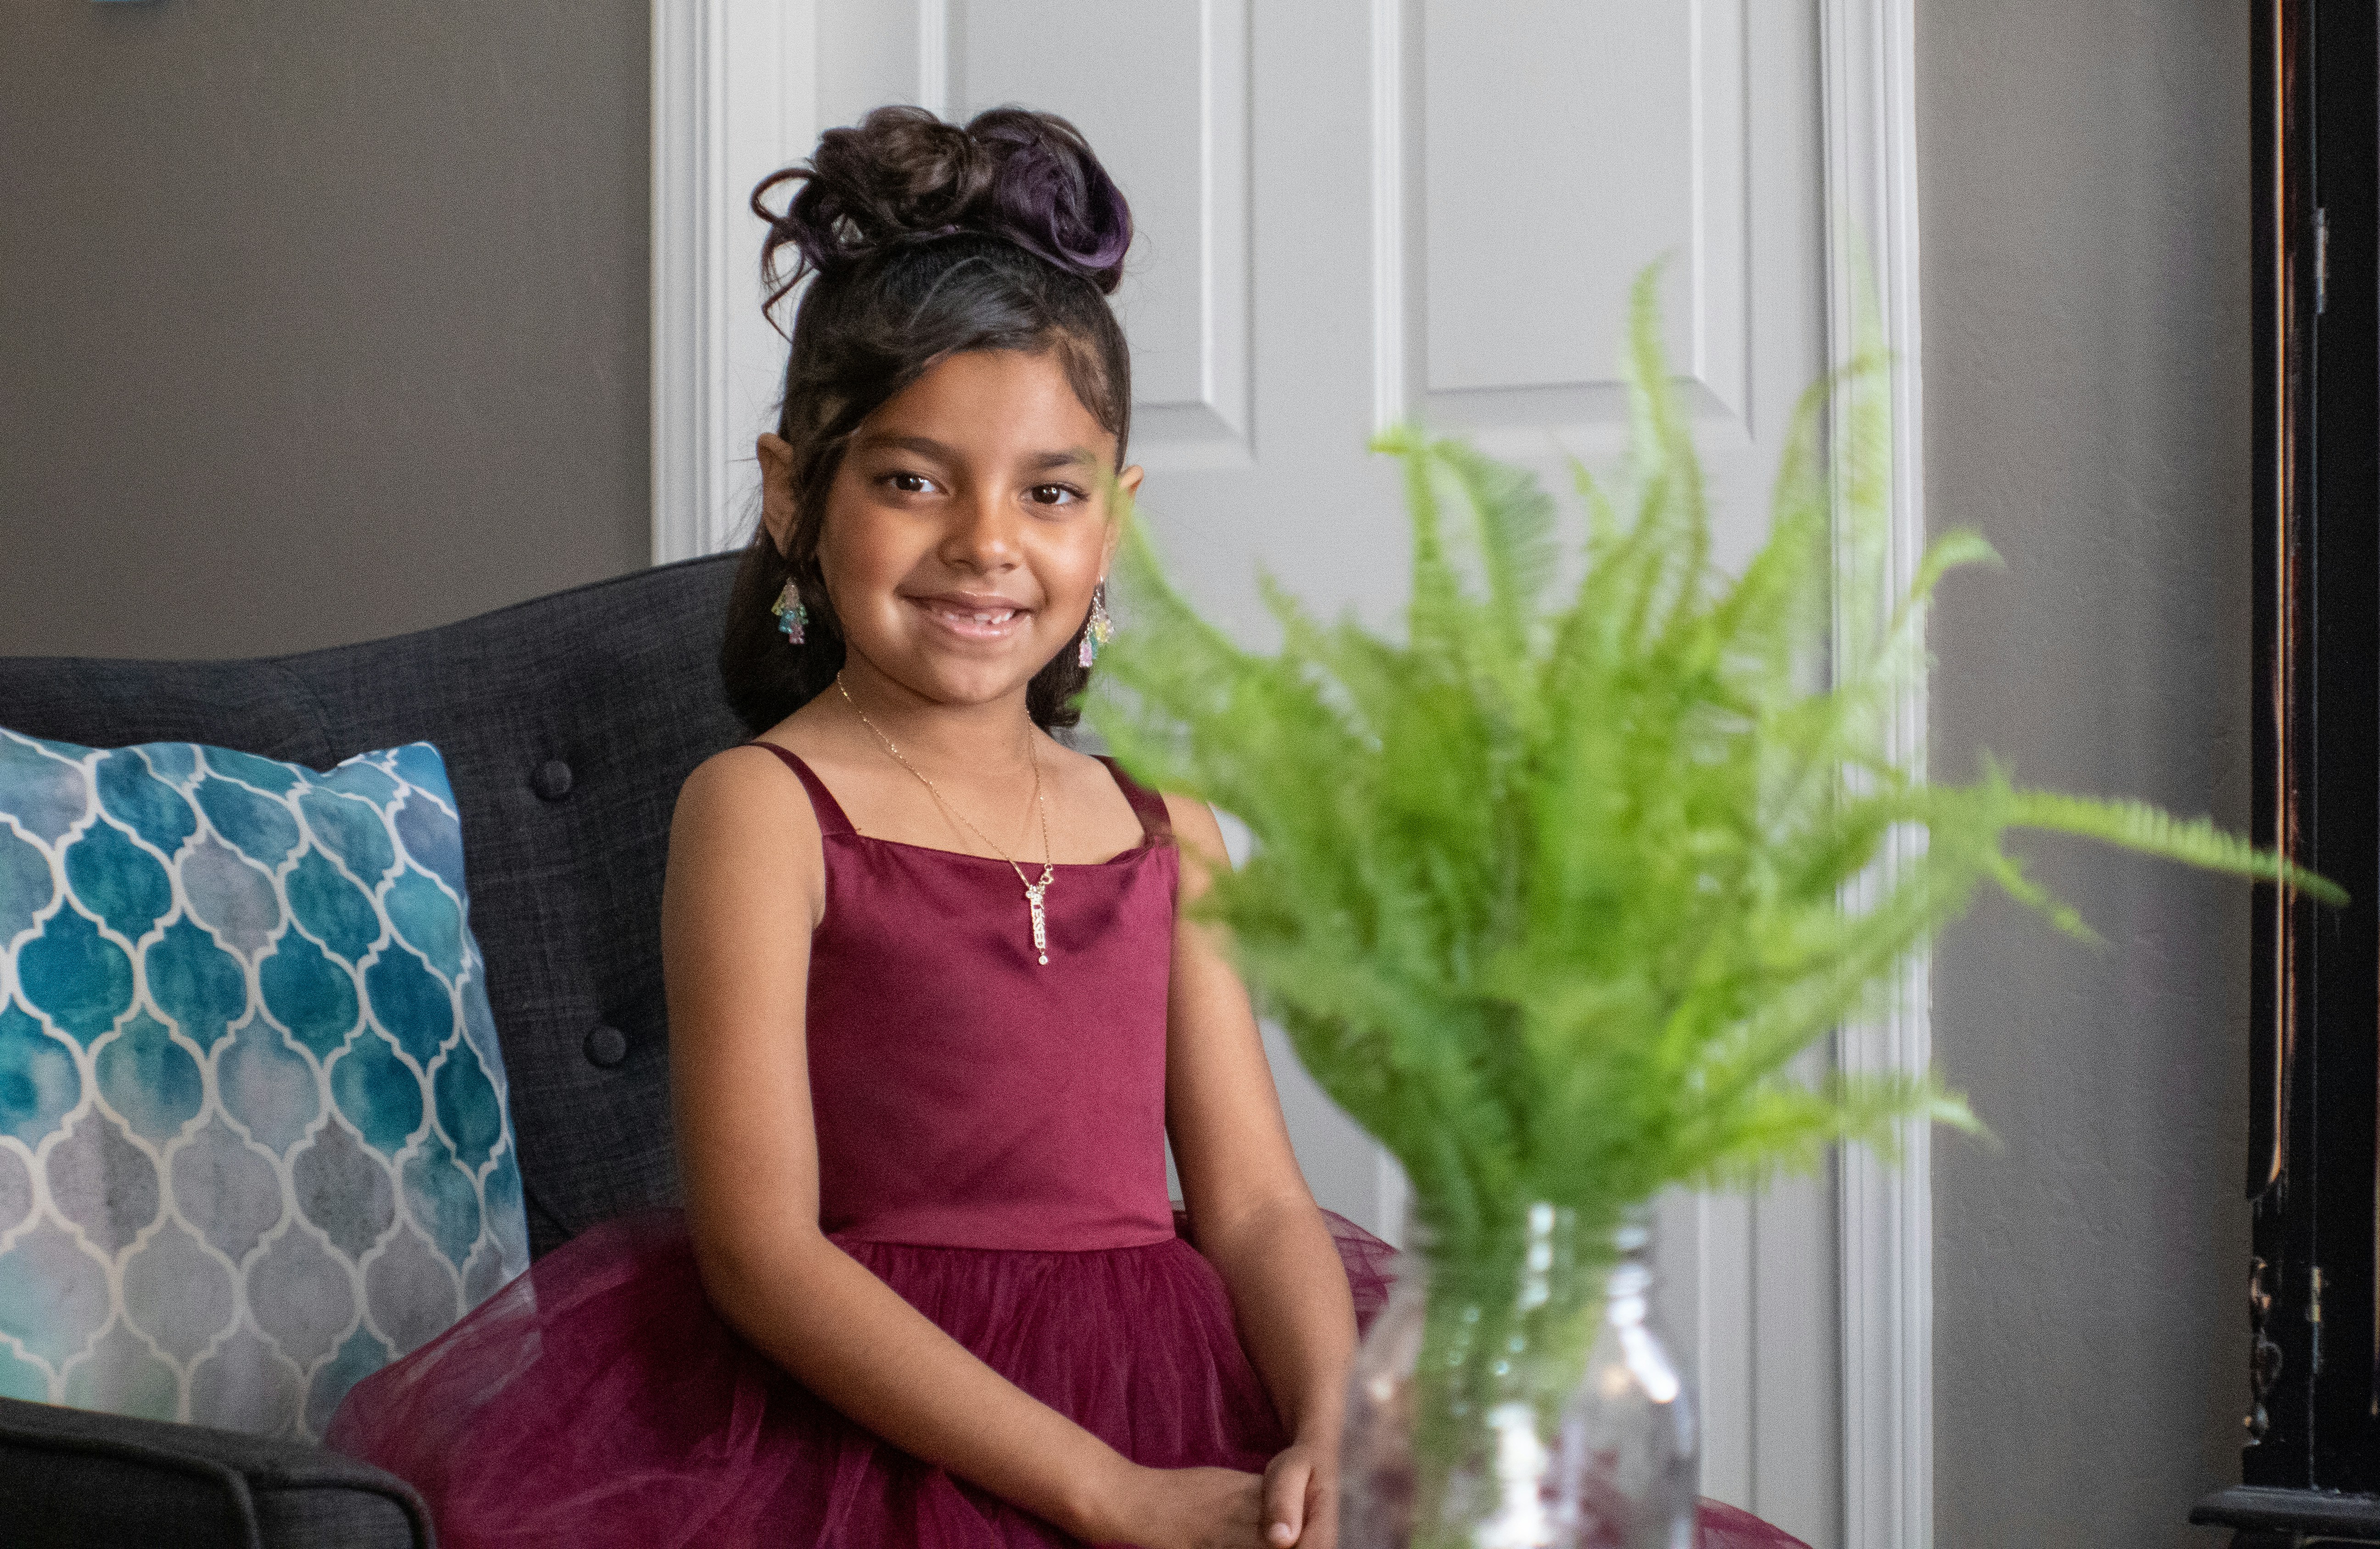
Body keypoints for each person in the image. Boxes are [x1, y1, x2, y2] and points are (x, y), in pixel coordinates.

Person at [331, 104, 1803, 1549]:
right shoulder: (764, 811)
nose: (985, 542)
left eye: (1050, 492)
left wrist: (1340, 1431)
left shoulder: (1170, 832)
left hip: (1186, 1386)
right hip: (889, 1423)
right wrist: (1112, 1496)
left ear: (1116, 521)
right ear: (794, 494)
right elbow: (762, 1255)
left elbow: (1259, 1208)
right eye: (913, 480)